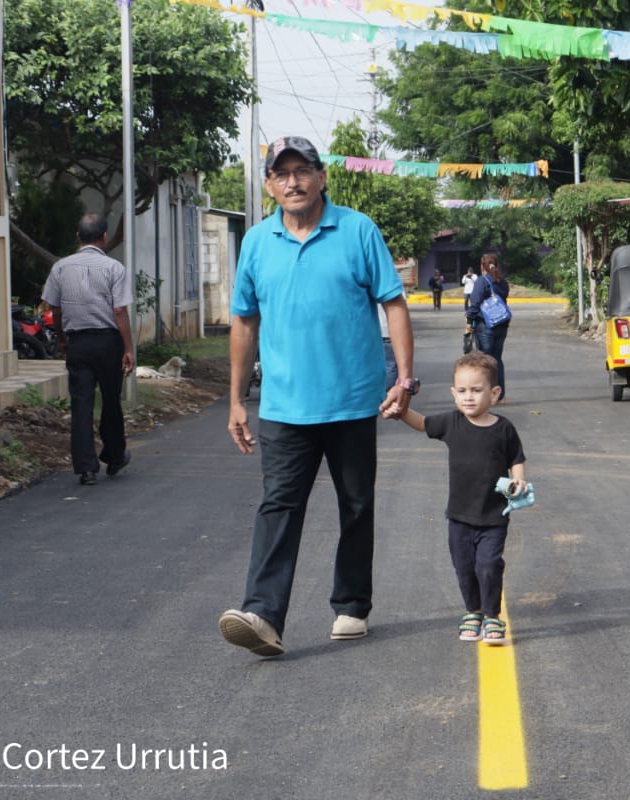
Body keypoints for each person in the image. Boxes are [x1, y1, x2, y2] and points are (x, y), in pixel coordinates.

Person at [219, 136, 417, 658]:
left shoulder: (357, 230)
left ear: (322, 175)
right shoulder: (258, 243)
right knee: (278, 507)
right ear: (268, 185)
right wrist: (237, 398)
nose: (293, 182)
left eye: (302, 170)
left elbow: (393, 305)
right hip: (284, 406)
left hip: (353, 400)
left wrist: (403, 378)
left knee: (356, 505)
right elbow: (244, 320)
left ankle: (351, 605)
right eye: (281, 174)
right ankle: (262, 614)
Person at [395, 351, 527, 645]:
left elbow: (516, 457)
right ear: (453, 392)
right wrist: (401, 410)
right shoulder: (452, 423)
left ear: (494, 393)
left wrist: (519, 479)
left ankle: (492, 616)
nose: (469, 397)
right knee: (464, 567)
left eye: (477, 390)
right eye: (462, 391)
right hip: (458, 517)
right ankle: (474, 611)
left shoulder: (503, 428)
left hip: (493, 517)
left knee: (489, 565)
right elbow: (422, 423)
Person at [40, 213, 135, 486]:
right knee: (111, 399)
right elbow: (119, 311)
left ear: (78, 237)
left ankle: (86, 468)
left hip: (77, 343)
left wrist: (61, 340)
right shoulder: (114, 268)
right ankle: (115, 455)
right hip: (108, 343)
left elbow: (55, 309)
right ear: (104, 237)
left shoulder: (60, 268)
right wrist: (128, 348)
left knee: (81, 404)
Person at [467, 254, 511, 402]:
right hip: (502, 324)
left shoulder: (481, 281)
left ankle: (487, 396)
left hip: (486, 326)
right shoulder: (502, 281)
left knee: (485, 360)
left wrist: (469, 322)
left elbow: (475, 304)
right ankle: (500, 396)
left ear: (482, 266)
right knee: (497, 359)